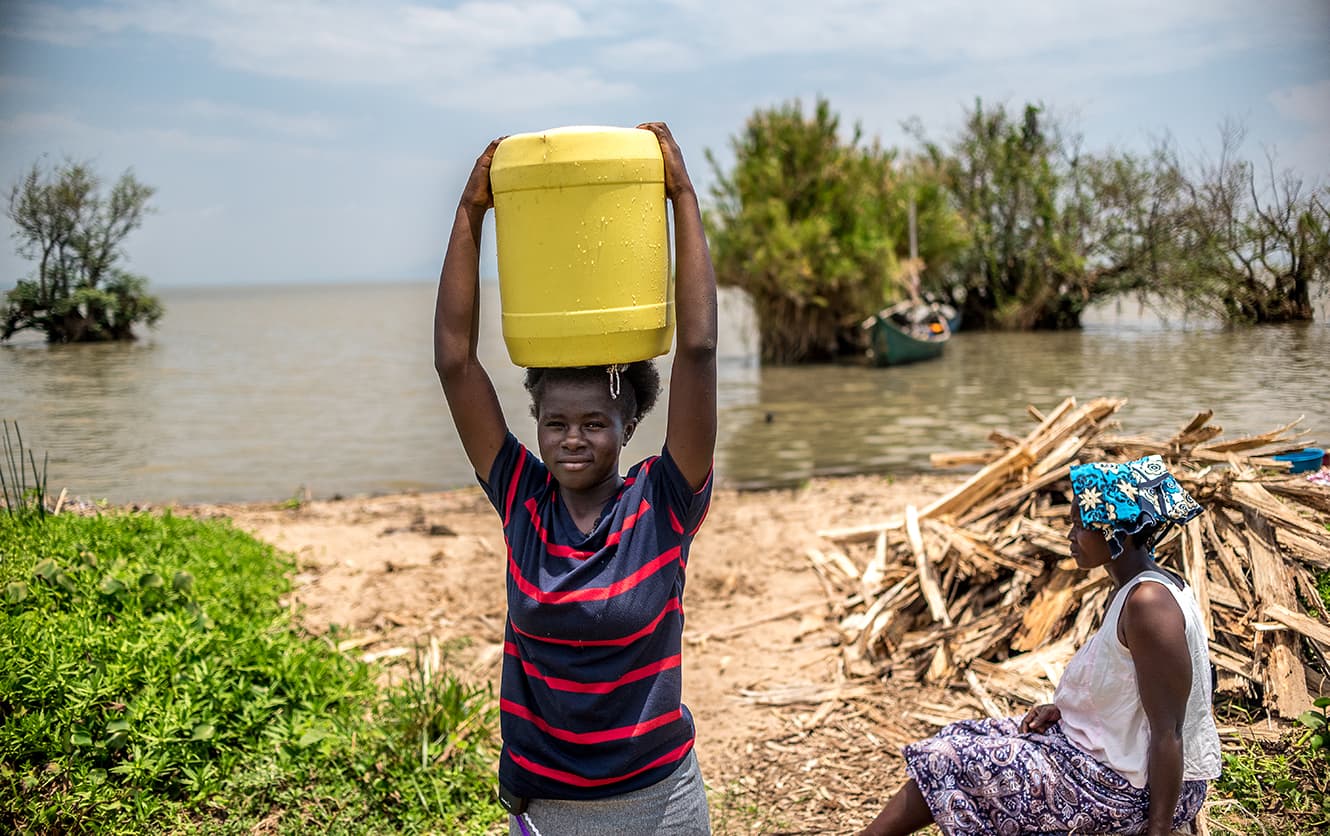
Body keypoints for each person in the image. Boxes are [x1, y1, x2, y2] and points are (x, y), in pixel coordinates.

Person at [434, 122, 718, 835]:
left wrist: (680, 194)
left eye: (595, 422)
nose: (573, 440)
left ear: (628, 426)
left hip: (660, 805)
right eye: (556, 422)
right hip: (548, 809)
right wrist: (471, 212)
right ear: (535, 422)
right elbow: (454, 364)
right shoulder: (522, 501)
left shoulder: (662, 505)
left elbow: (700, 351)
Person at [858, 455, 1222, 836]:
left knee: (948, 759)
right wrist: (1069, 712)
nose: (1070, 536)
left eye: (1082, 525)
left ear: (1121, 532)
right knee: (960, 735)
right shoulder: (1137, 588)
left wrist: (1159, 830)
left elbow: (1170, 729)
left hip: (1128, 791)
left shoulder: (1149, 603)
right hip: (1118, 767)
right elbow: (1130, 693)